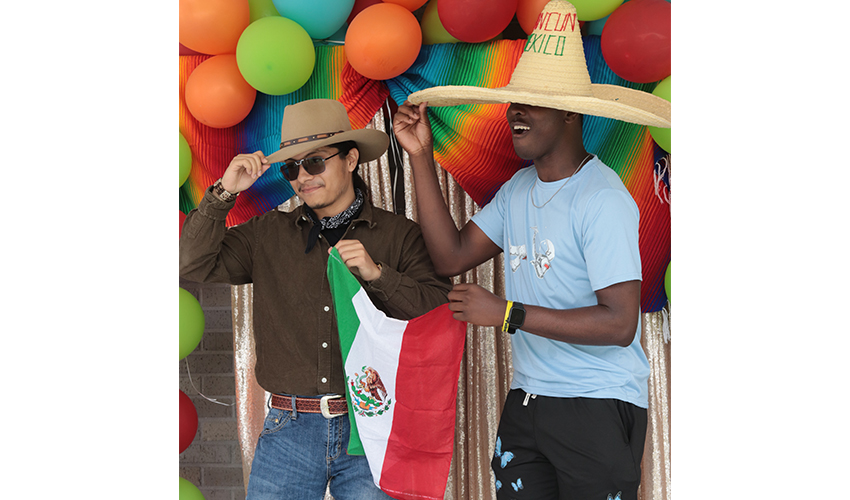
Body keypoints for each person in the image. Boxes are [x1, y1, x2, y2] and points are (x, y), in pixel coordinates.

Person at [391, 1, 671, 498]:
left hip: (598, 406)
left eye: (531, 102)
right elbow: (451, 257)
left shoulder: (602, 198)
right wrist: (419, 156)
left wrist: (507, 314)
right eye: (513, 101)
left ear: (569, 112)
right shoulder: (519, 190)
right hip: (527, 402)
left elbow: (619, 323)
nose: (514, 112)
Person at [179, 98, 452, 500]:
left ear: (351, 158)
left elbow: (439, 310)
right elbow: (191, 263)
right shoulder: (266, 234)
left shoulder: (398, 235)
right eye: (291, 168)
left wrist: (378, 277)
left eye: (315, 162)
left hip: (372, 424)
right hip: (288, 428)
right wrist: (223, 192)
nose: (302, 177)